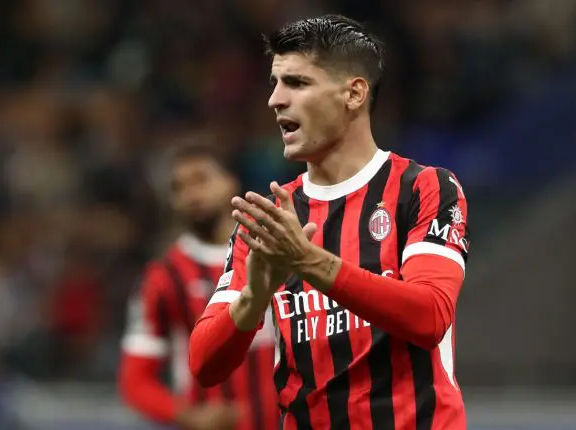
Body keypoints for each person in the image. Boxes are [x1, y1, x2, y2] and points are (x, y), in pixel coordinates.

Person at [188, 15, 470, 430]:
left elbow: (429, 316)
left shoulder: (425, 188)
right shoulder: (271, 218)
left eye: (297, 83)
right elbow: (204, 364)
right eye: (274, 83)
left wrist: (309, 261)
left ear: (354, 93)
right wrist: (256, 294)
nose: (275, 100)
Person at [118, 143, 279, 430]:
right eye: (179, 187)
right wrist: (189, 417)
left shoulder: (277, 251)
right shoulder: (164, 277)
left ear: (231, 181)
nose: (191, 195)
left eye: (201, 180)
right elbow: (135, 380)